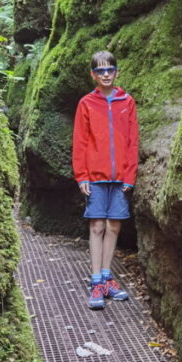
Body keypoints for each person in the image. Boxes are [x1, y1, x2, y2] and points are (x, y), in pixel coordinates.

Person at [72, 50, 139, 310]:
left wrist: (130, 175)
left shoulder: (127, 102)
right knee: (97, 225)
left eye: (109, 69)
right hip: (96, 176)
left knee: (113, 226)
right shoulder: (87, 103)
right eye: (100, 70)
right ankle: (96, 280)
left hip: (121, 175)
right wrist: (82, 175)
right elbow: (80, 141)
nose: (106, 74)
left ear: (116, 71)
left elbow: (133, 141)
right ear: (93, 75)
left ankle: (108, 276)